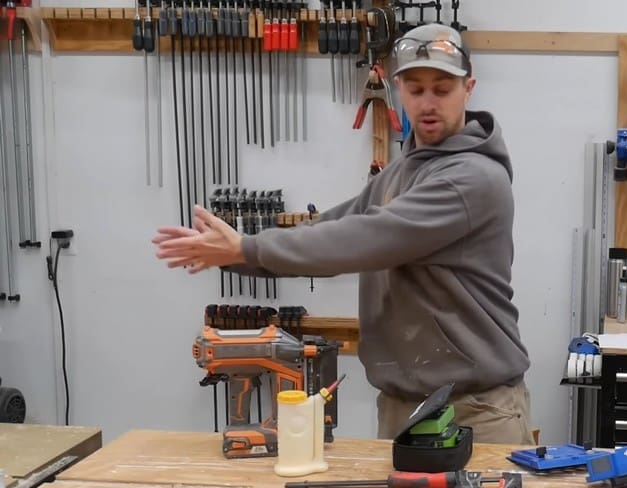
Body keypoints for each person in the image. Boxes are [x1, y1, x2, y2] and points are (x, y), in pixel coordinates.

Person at [152, 23, 535, 446]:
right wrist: (236, 254)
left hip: (473, 411)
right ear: (398, 89)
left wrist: (246, 247)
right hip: (403, 405)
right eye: (415, 88)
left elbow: (364, 238)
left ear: (469, 87)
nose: (427, 103)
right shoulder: (403, 171)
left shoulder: (473, 178)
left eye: (442, 89)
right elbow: (334, 225)